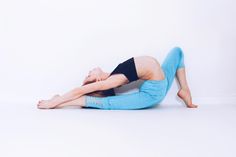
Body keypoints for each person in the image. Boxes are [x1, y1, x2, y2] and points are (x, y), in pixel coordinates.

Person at [37, 47, 198, 110]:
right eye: (89, 76)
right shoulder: (110, 81)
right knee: (107, 104)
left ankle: (185, 90)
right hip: (152, 95)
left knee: (177, 51)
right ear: (98, 82)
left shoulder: (112, 74)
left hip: (159, 84)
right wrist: (52, 103)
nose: (89, 72)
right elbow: (80, 90)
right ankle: (58, 103)